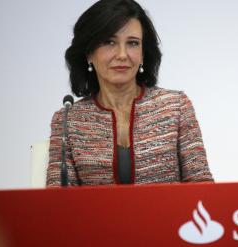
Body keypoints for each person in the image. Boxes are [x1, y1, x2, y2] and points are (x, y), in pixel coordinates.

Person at [46, 0, 214, 186]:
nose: (122, 54)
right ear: (88, 53)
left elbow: (202, 188)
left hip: (169, 216)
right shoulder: (68, 120)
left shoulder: (176, 106)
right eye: (109, 42)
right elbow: (59, 204)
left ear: (143, 54)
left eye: (133, 43)